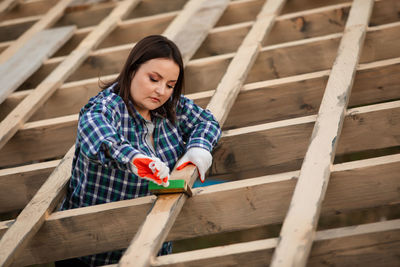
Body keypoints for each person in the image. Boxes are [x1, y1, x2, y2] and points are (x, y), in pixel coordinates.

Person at [57, 35, 221, 266]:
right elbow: (101, 136)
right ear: (132, 70)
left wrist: (198, 149)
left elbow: (207, 122)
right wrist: (134, 158)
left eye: (170, 85)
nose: (161, 91)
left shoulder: (172, 105)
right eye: (154, 79)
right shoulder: (105, 108)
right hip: (92, 251)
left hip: (153, 246)